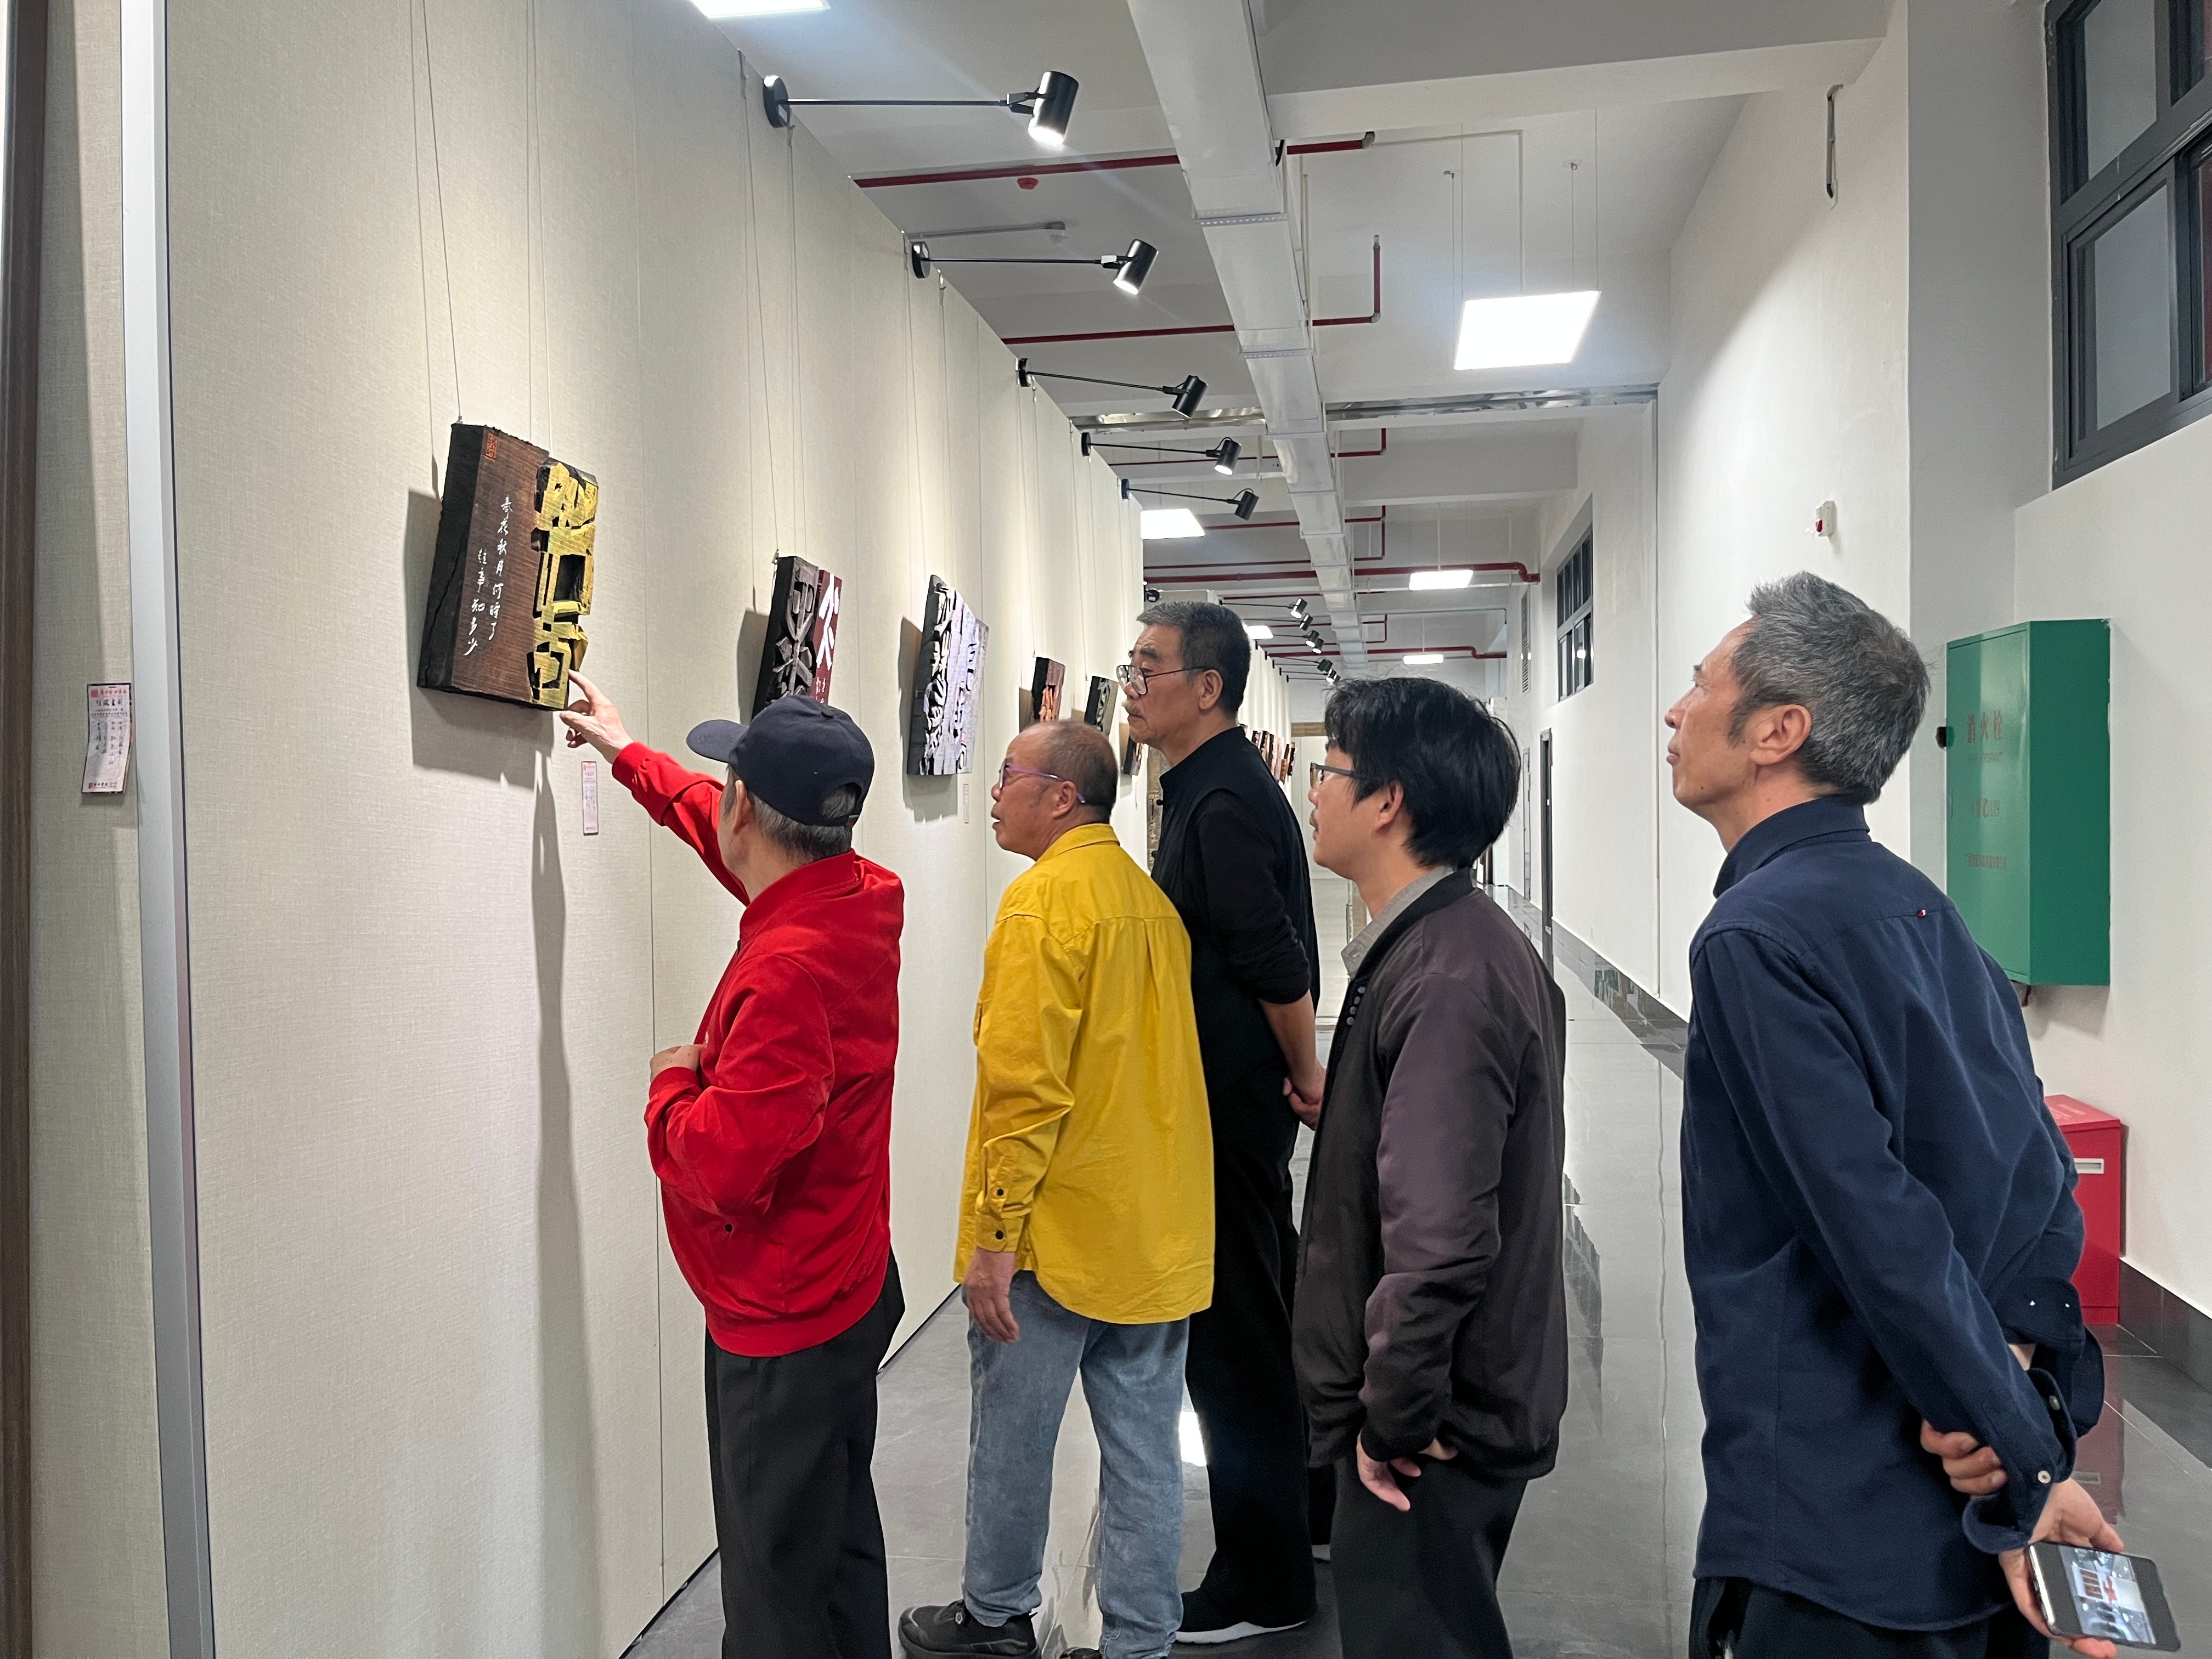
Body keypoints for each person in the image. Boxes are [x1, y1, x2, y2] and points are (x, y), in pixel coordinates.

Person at [1664, 573, 2120, 1659]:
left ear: (1778, 730)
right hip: (1965, 1529)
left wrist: (2020, 1454)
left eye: (1701, 683)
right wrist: (2018, 1395)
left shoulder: (1755, 937)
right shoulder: (1925, 911)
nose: (1677, 712)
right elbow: (2040, 1178)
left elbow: (1875, 1228)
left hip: (1835, 1534)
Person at [559, 675, 906, 1659]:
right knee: (837, 1546)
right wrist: (630, 758)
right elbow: (730, 845)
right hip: (851, 1280)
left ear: (746, 805)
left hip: (782, 1321)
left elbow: (722, 1168)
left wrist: (672, 1082)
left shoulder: (785, 970)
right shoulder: (859, 896)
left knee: (771, 1593)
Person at [899, 720, 1214, 1659]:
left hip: (1054, 1233)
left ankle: (996, 1618)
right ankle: (1141, 1643)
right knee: (1145, 1452)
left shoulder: (1041, 905)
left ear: (1061, 796)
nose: (994, 791)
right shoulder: (1148, 902)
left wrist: (994, 1240)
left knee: (1013, 1439)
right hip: (1152, 1234)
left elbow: (1025, 1091)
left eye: (1008, 774)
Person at [1294, 677, 1568, 1659]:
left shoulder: (1449, 975)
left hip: (1431, 1433)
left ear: (1388, 801)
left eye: (1329, 771)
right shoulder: (1444, 944)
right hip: (1442, 1407)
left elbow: (1442, 1238)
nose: (1314, 792)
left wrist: (1395, 1419)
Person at [1120, 602, 1327, 1645]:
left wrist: (1306, 1071)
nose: (1130, 684)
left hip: (1231, 1109)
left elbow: (1272, 956)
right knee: (1261, 1316)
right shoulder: (1210, 786)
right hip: (1228, 1102)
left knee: (1235, 1341)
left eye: (1148, 667)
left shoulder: (1224, 800)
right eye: (1129, 665)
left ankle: (1264, 1580)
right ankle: (1304, 1520)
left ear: (1208, 688)